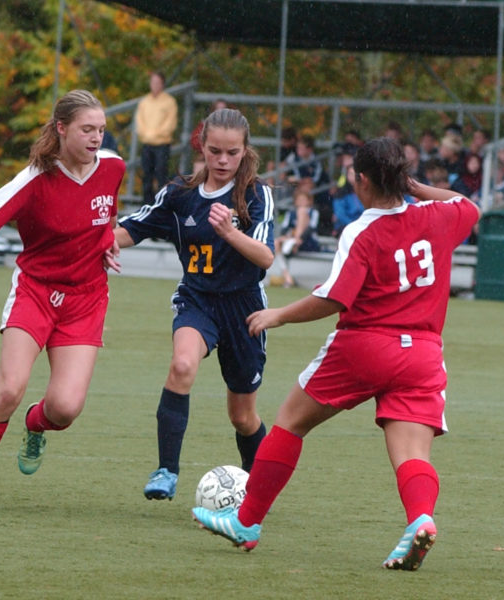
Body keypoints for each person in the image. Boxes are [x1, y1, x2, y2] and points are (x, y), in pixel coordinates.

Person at [192, 137, 481, 572]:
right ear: (402, 178)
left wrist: (279, 315)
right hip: (421, 352)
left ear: (360, 179)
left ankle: (247, 522)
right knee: (412, 455)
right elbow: (468, 206)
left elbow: (334, 298)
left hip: (364, 347)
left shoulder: (362, 229)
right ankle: (420, 520)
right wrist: (418, 189)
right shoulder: (437, 215)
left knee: (290, 421)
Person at [0, 90, 125, 510]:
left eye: (102, 130)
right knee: (8, 390)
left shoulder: (113, 167)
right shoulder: (36, 177)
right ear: (61, 128)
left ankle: (35, 425)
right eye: (87, 129)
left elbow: (106, 211)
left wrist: (107, 240)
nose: (96, 138)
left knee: (65, 408)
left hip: (86, 299)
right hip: (36, 293)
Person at [108, 108, 274, 501]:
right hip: (197, 300)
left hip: (245, 309)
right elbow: (134, 227)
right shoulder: (179, 195)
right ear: (201, 146)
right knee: (182, 365)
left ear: (245, 151)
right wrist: (91, 246)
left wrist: (229, 232)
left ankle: (261, 489)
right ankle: (166, 470)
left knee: (243, 417)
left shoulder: (255, 195)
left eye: (232, 153)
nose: (222, 160)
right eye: (214, 150)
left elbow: (266, 258)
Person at [135, 71, 178, 204]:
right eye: (153, 82)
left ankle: (161, 203)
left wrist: (154, 134)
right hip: (147, 144)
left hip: (162, 144)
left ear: (162, 84)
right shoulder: (144, 102)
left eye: (157, 83)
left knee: (161, 175)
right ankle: (146, 204)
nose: (154, 85)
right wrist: (146, 133)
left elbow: (170, 124)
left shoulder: (170, 102)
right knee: (146, 175)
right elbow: (139, 121)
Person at [272, 186, 321, 288]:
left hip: (308, 241)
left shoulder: (313, 212)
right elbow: (284, 229)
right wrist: (288, 236)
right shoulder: (290, 213)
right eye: (299, 200)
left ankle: (294, 242)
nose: (302, 202)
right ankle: (288, 278)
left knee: (302, 211)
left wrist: (300, 238)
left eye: (304, 200)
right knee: (276, 242)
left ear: (309, 201)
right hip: (292, 240)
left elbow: (312, 228)